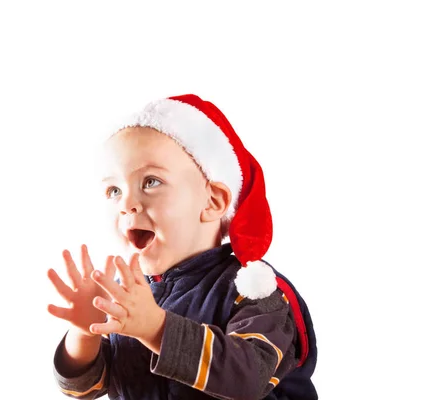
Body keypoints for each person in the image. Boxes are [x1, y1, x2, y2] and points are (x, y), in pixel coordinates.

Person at [46, 94, 318, 399]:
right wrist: (85, 334)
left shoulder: (255, 291)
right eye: (113, 190)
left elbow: (248, 379)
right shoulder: (129, 293)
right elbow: (85, 389)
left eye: (151, 182)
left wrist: (156, 329)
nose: (127, 204)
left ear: (213, 201)